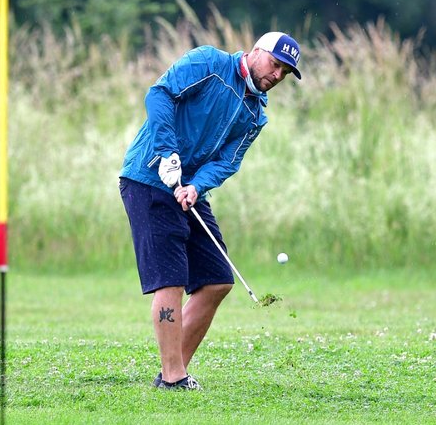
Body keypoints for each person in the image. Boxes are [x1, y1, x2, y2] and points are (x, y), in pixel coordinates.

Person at [119, 31, 302, 390]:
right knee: (170, 278)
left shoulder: (255, 115)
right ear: (256, 52)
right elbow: (159, 94)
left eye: (285, 73)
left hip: (187, 190)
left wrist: (195, 187)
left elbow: (226, 161)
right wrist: (167, 151)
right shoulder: (209, 63)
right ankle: (174, 379)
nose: (277, 75)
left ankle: (173, 370)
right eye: (275, 64)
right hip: (148, 178)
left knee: (218, 280)